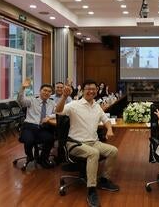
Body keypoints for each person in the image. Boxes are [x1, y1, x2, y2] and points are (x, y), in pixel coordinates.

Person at [55, 79, 119, 207]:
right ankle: (91, 190)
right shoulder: (74, 105)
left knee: (113, 151)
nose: (91, 91)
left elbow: (106, 120)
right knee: (94, 154)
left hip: (93, 142)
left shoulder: (96, 106)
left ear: (96, 91)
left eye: (93, 89)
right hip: (75, 143)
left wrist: (110, 129)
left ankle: (104, 179)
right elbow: (58, 110)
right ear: (83, 91)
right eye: (88, 89)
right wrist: (64, 96)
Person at [17, 79, 56, 168]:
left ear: (51, 93)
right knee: (29, 140)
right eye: (45, 90)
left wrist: (49, 117)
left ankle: (43, 159)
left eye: (49, 91)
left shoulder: (52, 103)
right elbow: (21, 100)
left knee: (50, 139)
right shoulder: (32, 100)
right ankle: (30, 156)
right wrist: (23, 88)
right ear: (40, 91)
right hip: (29, 127)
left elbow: (56, 113)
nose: (47, 93)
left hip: (42, 128)